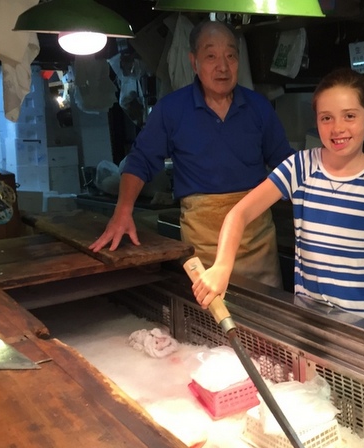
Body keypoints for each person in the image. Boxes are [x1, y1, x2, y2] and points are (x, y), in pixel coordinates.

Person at [192, 68, 364, 331]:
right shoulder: (299, 167)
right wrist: (222, 267)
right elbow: (239, 214)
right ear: (316, 122)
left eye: (350, 116)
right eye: (326, 118)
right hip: (309, 321)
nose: (338, 128)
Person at [89, 20, 293, 288]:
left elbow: (287, 166)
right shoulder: (171, 109)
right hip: (202, 238)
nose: (223, 66)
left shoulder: (259, 107)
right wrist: (123, 211)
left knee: (265, 318)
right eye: (211, 56)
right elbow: (140, 161)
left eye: (230, 55)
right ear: (193, 61)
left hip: (256, 241)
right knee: (209, 315)